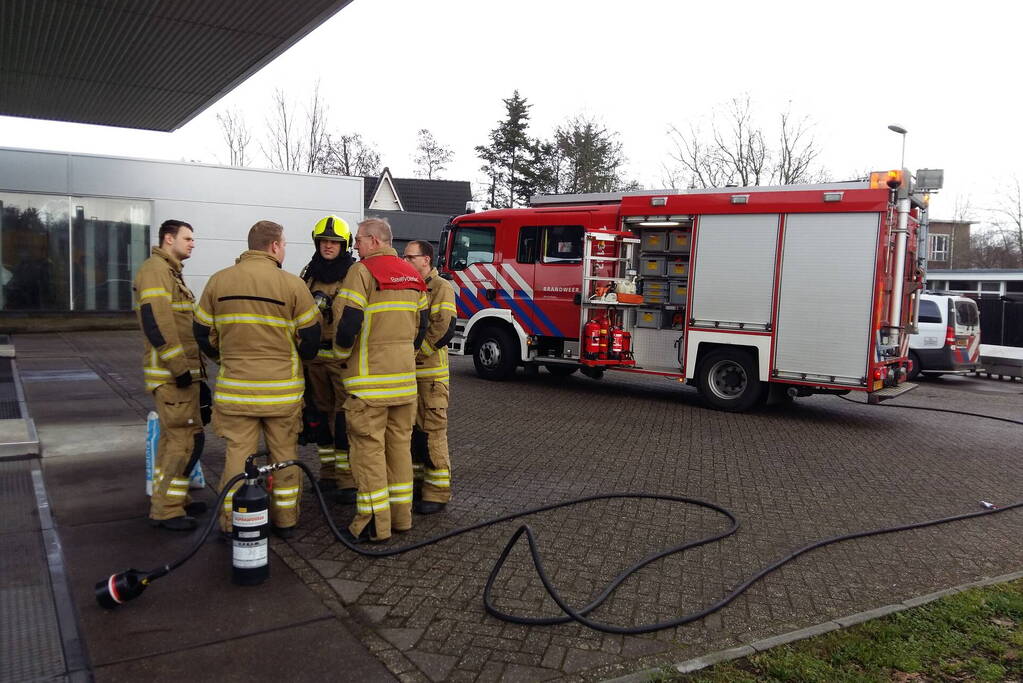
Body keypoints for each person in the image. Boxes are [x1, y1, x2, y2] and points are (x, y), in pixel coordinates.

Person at [193, 220, 321, 538]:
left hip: (236, 392)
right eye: (285, 245)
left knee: (238, 455)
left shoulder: (218, 282)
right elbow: (312, 337)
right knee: (285, 456)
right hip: (282, 394)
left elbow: (200, 333)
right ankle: (286, 520)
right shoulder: (292, 285)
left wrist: (223, 359)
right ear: (275, 246)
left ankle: (233, 521)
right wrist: (296, 359)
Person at [333, 217, 428, 543]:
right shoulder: (413, 275)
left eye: (358, 239)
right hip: (404, 383)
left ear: (374, 240)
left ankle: (374, 524)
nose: (354, 245)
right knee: (399, 450)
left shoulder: (361, 272)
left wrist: (340, 355)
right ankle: (402, 518)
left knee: (369, 452)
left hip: (368, 385)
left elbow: (348, 323)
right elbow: (423, 325)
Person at [132, 219, 207, 531]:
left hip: (179, 374)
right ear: (168, 239)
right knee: (181, 441)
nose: (192, 244)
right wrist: (179, 368)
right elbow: (156, 321)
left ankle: (176, 500)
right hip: (172, 376)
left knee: (179, 441)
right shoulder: (156, 270)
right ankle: (166, 510)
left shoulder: (170, 272)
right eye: (187, 238)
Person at [299, 215, 357, 501]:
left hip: (341, 358)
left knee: (343, 418)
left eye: (334, 242)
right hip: (314, 359)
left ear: (344, 244)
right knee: (320, 416)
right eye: (324, 241)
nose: (328, 247)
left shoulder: (354, 274)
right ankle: (328, 474)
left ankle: (348, 479)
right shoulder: (309, 274)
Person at [402, 240, 457, 514]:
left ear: (426, 259)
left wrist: (415, 354)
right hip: (410, 375)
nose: (406, 261)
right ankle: (416, 485)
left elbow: (443, 328)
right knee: (413, 435)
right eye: (404, 256)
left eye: (411, 257)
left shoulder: (441, 287)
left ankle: (436, 492)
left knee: (432, 434)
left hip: (431, 376)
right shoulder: (408, 286)